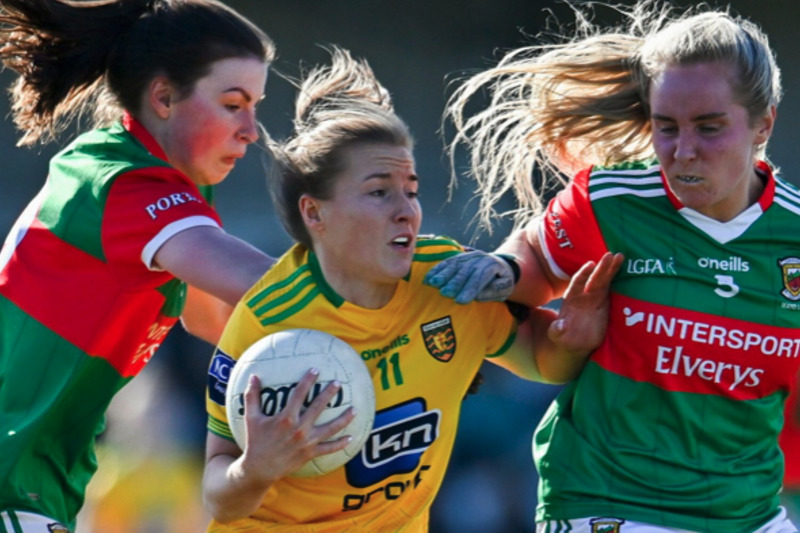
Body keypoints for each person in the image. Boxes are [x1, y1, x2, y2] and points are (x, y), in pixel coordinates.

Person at [202, 46, 622, 532]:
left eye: (412, 190)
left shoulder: (445, 279)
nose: (406, 211)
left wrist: (573, 338)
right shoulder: (268, 321)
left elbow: (542, 361)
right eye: (379, 192)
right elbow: (219, 498)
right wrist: (255, 469)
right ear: (314, 213)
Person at [424, 1, 800, 531]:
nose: (683, 151)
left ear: (763, 124)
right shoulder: (613, 202)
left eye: (709, 128)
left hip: (747, 514)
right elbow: (534, 261)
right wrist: (504, 270)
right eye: (666, 127)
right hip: (610, 505)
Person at [0, 0, 276, 530]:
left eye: (255, 107)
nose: (251, 130)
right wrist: (410, 292)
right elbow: (261, 286)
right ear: (164, 97)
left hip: (33, 481)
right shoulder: (126, 183)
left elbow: (214, 318)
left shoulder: (159, 178)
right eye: (233, 104)